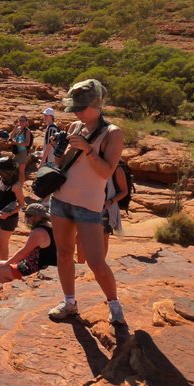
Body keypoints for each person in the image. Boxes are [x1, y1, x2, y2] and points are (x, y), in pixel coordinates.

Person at [47, 79, 126, 326]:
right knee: (64, 254)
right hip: (61, 200)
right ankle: (69, 302)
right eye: (75, 107)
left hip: (89, 206)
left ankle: (113, 303)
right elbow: (63, 166)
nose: (77, 112)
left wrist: (89, 149)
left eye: (81, 106)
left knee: (95, 261)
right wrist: (56, 153)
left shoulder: (112, 133)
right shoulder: (75, 126)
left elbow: (105, 172)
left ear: (97, 103)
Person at [77, 161, 128, 261]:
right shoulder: (89, 163)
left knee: (102, 238)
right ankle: (81, 267)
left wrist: (111, 201)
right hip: (87, 206)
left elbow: (124, 191)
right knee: (81, 238)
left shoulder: (116, 168)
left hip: (105, 209)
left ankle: (99, 267)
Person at [0, 203, 57, 282]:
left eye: (30, 215)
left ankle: (10, 292)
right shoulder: (50, 227)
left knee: (2, 269)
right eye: (27, 215)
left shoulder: (37, 232)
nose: (27, 218)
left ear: (38, 217)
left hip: (38, 268)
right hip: (51, 265)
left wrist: (6, 264)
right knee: (4, 264)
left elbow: (23, 252)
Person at [0, 157, 24, 262]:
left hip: (9, 218)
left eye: (1, 170)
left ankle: (4, 267)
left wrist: (9, 213)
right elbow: (0, 196)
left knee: (2, 245)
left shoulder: (16, 186)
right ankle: (0, 264)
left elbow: (21, 204)